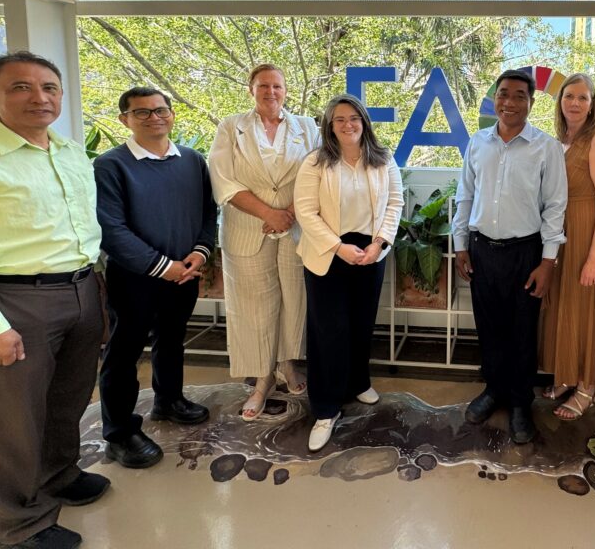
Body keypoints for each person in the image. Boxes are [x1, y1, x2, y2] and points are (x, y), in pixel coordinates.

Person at [0, 51, 106, 549]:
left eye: (49, 87)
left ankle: (58, 475)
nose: (39, 97)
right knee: (12, 420)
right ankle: (19, 527)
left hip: (81, 289)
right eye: (21, 87)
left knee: (67, 397)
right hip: (15, 300)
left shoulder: (68, 152)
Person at [94, 87, 217, 468]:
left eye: (160, 110)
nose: (154, 117)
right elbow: (110, 228)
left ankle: (169, 400)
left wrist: (199, 253)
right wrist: (163, 266)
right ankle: (119, 432)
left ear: (172, 114)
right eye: (142, 112)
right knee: (124, 351)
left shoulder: (193, 161)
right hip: (135, 276)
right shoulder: (110, 166)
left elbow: (206, 214)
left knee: (172, 339)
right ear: (124, 119)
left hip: (186, 272)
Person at [452, 69, 568, 444]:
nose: (510, 102)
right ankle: (494, 391)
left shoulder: (545, 147)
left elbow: (555, 207)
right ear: (495, 100)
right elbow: (464, 196)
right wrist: (460, 246)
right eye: (504, 94)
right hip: (483, 249)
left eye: (519, 95)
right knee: (489, 327)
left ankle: (520, 403)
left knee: (521, 330)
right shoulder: (477, 143)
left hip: (526, 252)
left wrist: (548, 261)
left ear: (531, 103)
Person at [208, 64, 321, 421]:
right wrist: (267, 213)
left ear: (286, 90)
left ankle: (287, 367)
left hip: (296, 225)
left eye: (277, 86)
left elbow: (318, 173)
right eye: (263, 86)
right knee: (254, 307)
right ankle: (261, 381)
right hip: (248, 228)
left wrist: (288, 211)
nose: (270, 92)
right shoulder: (231, 127)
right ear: (250, 90)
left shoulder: (306, 126)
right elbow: (223, 180)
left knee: (293, 299)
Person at [293, 94, 402, 452]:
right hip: (328, 253)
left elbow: (395, 203)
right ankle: (325, 408)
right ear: (329, 125)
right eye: (339, 119)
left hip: (370, 253)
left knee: (360, 323)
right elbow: (306, 212)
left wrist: (380, 243)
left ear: (364, 121)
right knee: (329, 329)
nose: (347, 124)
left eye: (354, 118)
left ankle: (358, 381)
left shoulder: (383, 159)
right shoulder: (316, 162)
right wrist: (338, 247)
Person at [538, 73, 595, 420]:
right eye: (569, 96)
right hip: (560, 232)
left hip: (587, 233)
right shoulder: (560, 141)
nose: (575, 102)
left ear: (592, 104)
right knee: (563, 305)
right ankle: (567, 374)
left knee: (585, 308)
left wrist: (594, 258)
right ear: (560, 101)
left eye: (583, 97)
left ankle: (588, 386)